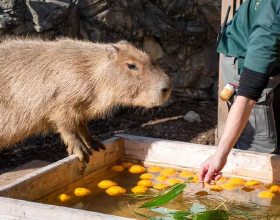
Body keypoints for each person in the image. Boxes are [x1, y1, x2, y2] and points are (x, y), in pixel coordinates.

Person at [199, 0, 280, 185]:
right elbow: (246, 98)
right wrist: (220, 155)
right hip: (245, 59)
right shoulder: (269, 28)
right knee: (259, 145)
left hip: (272, 59)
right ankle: (258, 205)